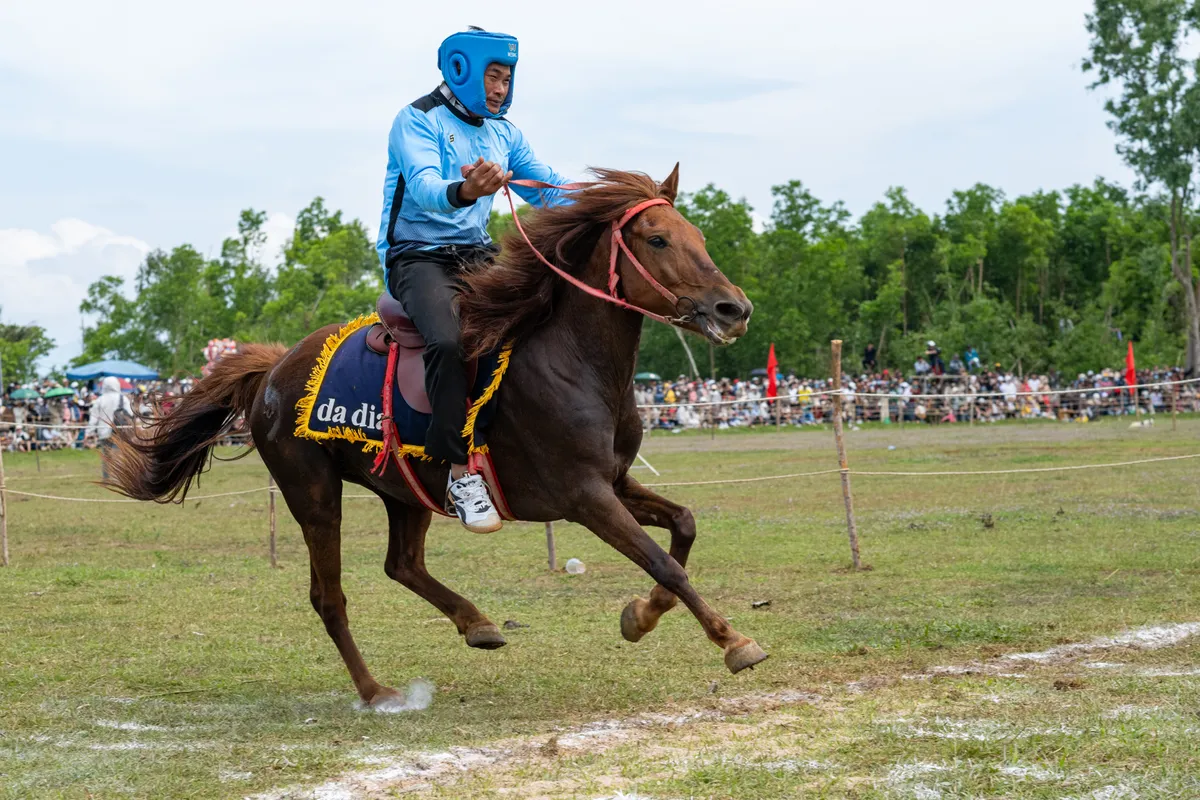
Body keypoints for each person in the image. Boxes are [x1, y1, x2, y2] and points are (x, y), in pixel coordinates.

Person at [377, 28, 573, 533]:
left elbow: (547, 189)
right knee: (448, 340)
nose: (501, 89)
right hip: (416, 257)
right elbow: (425, 189)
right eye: (493, 76)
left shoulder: (504, 133)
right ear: (461, 70)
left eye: (507, 79)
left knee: (541, 319)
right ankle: (459, 472)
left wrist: (616, 203)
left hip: (476, 255)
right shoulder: (415, 119)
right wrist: (467, 189)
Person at [85, 377, 133, 479]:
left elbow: (94, 418)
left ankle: (106, 478)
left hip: (104, 432)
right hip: (119, 431)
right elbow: (130, 414)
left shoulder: (100, 400)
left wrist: (88, 432)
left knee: (106, 456)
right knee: (118, 455)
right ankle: (117, 478)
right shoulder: (123, 399)